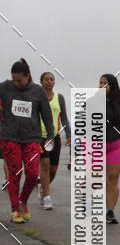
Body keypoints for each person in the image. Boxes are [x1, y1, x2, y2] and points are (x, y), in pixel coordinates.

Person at [0, 58, 53, 223]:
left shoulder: (37, 91)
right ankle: (15, 209)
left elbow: (46, 114)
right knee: (15, 174)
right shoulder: (4, 87)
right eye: (14, 80)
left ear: (28, 76)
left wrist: (50, 135)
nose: (16, 83)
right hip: (10, 138)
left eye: (20, 80)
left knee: (32, 174)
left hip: (32, 138)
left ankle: (23, 201)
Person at [99, 74, 120, 224]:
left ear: (112, 85)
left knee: (113, 178)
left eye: (105, 83)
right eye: (100, 83)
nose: (101, 86)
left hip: (116, 144)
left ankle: (110, 212)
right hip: (96, 144)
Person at [38, 71, 71, 210]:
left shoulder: (60, 98)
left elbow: (64, 118)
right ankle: (47, 197)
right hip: (40, 137)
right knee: (45, 164)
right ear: (41, 82)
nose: (49, 81)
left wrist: (69, 134)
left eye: (52, 79)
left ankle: (42, 188)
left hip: (55, 137)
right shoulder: (36, 97)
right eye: (46, 79)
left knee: (53, 169)